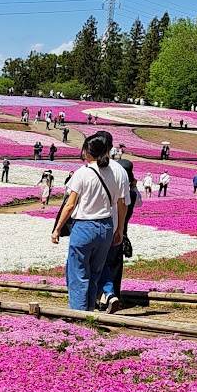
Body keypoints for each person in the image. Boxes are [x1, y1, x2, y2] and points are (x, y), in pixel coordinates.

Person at [51, 132, 127, 312]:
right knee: (95, 273)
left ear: (88, 151)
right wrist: (120, 230)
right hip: (106, 227)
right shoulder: (116, 173)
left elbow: (69, 205)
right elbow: (121, 203)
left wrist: (57, 229)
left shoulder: (82, 173)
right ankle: (90, 314)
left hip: (85, 227)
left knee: (78, 274)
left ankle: (79, 316)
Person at [99, 157, 139, 312]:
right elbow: (138, 200)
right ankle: (113, 295)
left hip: (107, 228)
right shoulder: (133, 194)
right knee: (115, 266)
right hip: (122, 232)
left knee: (101, 265)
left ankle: (104, 297)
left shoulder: (113, 190)